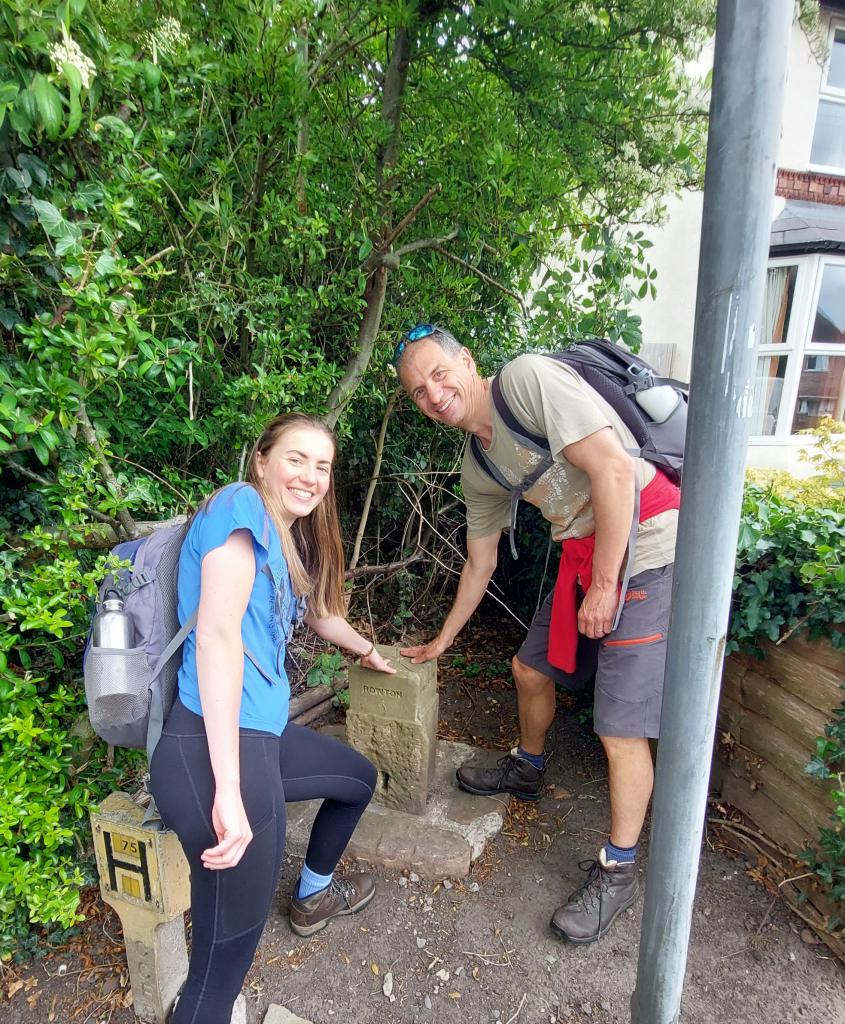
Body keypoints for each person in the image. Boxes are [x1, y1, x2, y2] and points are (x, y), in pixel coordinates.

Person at [396, 325, 679, 945]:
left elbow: (611, 469)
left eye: (440, 374)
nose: (435, 394)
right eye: (419, 392)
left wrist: (605, 588)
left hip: (649, 540)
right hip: (585, 551)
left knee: (620, 727)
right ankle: (528, 767)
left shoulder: (525, 380)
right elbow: (481, 559)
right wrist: (444, 640)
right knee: (530, 669)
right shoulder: (478, 465)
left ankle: (620, 870)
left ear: (466, 361)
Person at [150, 413, 395, 1024]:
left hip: (258, 736)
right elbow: (217, 637)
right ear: (261, 461)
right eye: (295, 459)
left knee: (356, 780)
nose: (310, 477)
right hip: (213, 750)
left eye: (322, 467)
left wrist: (366, 650)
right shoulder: (240, 508)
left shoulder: (282, 539)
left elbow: (314, 614)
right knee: (217, 975)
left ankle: (313, 895)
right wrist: (229, 792)